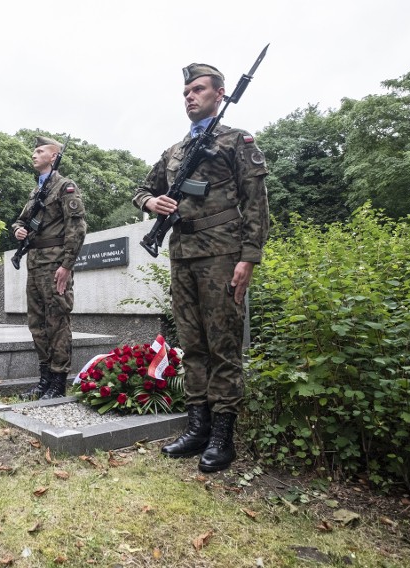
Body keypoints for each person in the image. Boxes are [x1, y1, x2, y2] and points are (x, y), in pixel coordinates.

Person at [132, 63, 270, 473]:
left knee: (223, 346)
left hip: (223, 255)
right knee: (191, 344)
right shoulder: (174, 152)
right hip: (183, 253)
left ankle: (223, 438)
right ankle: (197, 428)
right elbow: (141, 188)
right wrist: (151, 203)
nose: (190, 96)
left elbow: (257, 203)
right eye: (186, 92)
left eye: (198, 90)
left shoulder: (236, 140)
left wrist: (249, 257)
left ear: (220, 94)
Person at [14, 136, 86, 400]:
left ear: (54, 157)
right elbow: (19, 221)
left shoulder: (65, 187)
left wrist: (67, 265)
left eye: (40, 150)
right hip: (35, 264)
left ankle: (58, 381)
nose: (34, 154)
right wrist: (19, 231)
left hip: (55, 264)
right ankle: (44, 379)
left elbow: (77, 228)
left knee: (57, 322)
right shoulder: (37, 191)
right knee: (37, 324)